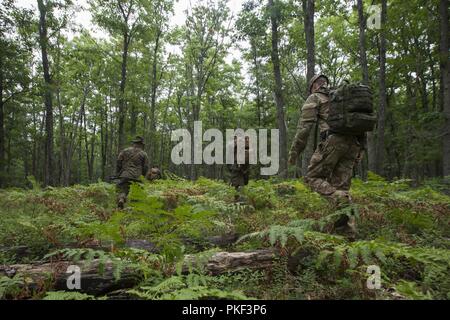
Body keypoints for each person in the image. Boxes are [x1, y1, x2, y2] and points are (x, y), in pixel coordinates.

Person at [288, 75, 365, 236]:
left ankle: (341, 199)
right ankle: (345, 233)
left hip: (333, 141)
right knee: (341, 187)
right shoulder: (345, 99)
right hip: (353, 143)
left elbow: (304, 128)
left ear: (314, 86)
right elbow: (362, 121)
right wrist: (361, 149)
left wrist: (295, 152)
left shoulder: (315, 97)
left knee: (312, 178)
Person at [116, 136, 149, 209]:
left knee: (123, 189)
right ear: (141, 144)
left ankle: (121, 199)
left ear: (134, 143)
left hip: (125, 174)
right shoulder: (144, 154)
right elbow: (145, 167)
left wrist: (118, 172)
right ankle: (134, 209)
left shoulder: (124, 151)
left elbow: (118, 162)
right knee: (136, 193)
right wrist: (142, 176)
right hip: (137, 176)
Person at [227, 136, 250, 202]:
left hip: (242, 171)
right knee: (237, 186)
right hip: (236, 170)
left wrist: (244, 169)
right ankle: (238, 202)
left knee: (240, 186)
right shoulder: (233, 149)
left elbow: (247, 161)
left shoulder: (245, 149)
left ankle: (240, 202)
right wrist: (233, 168)